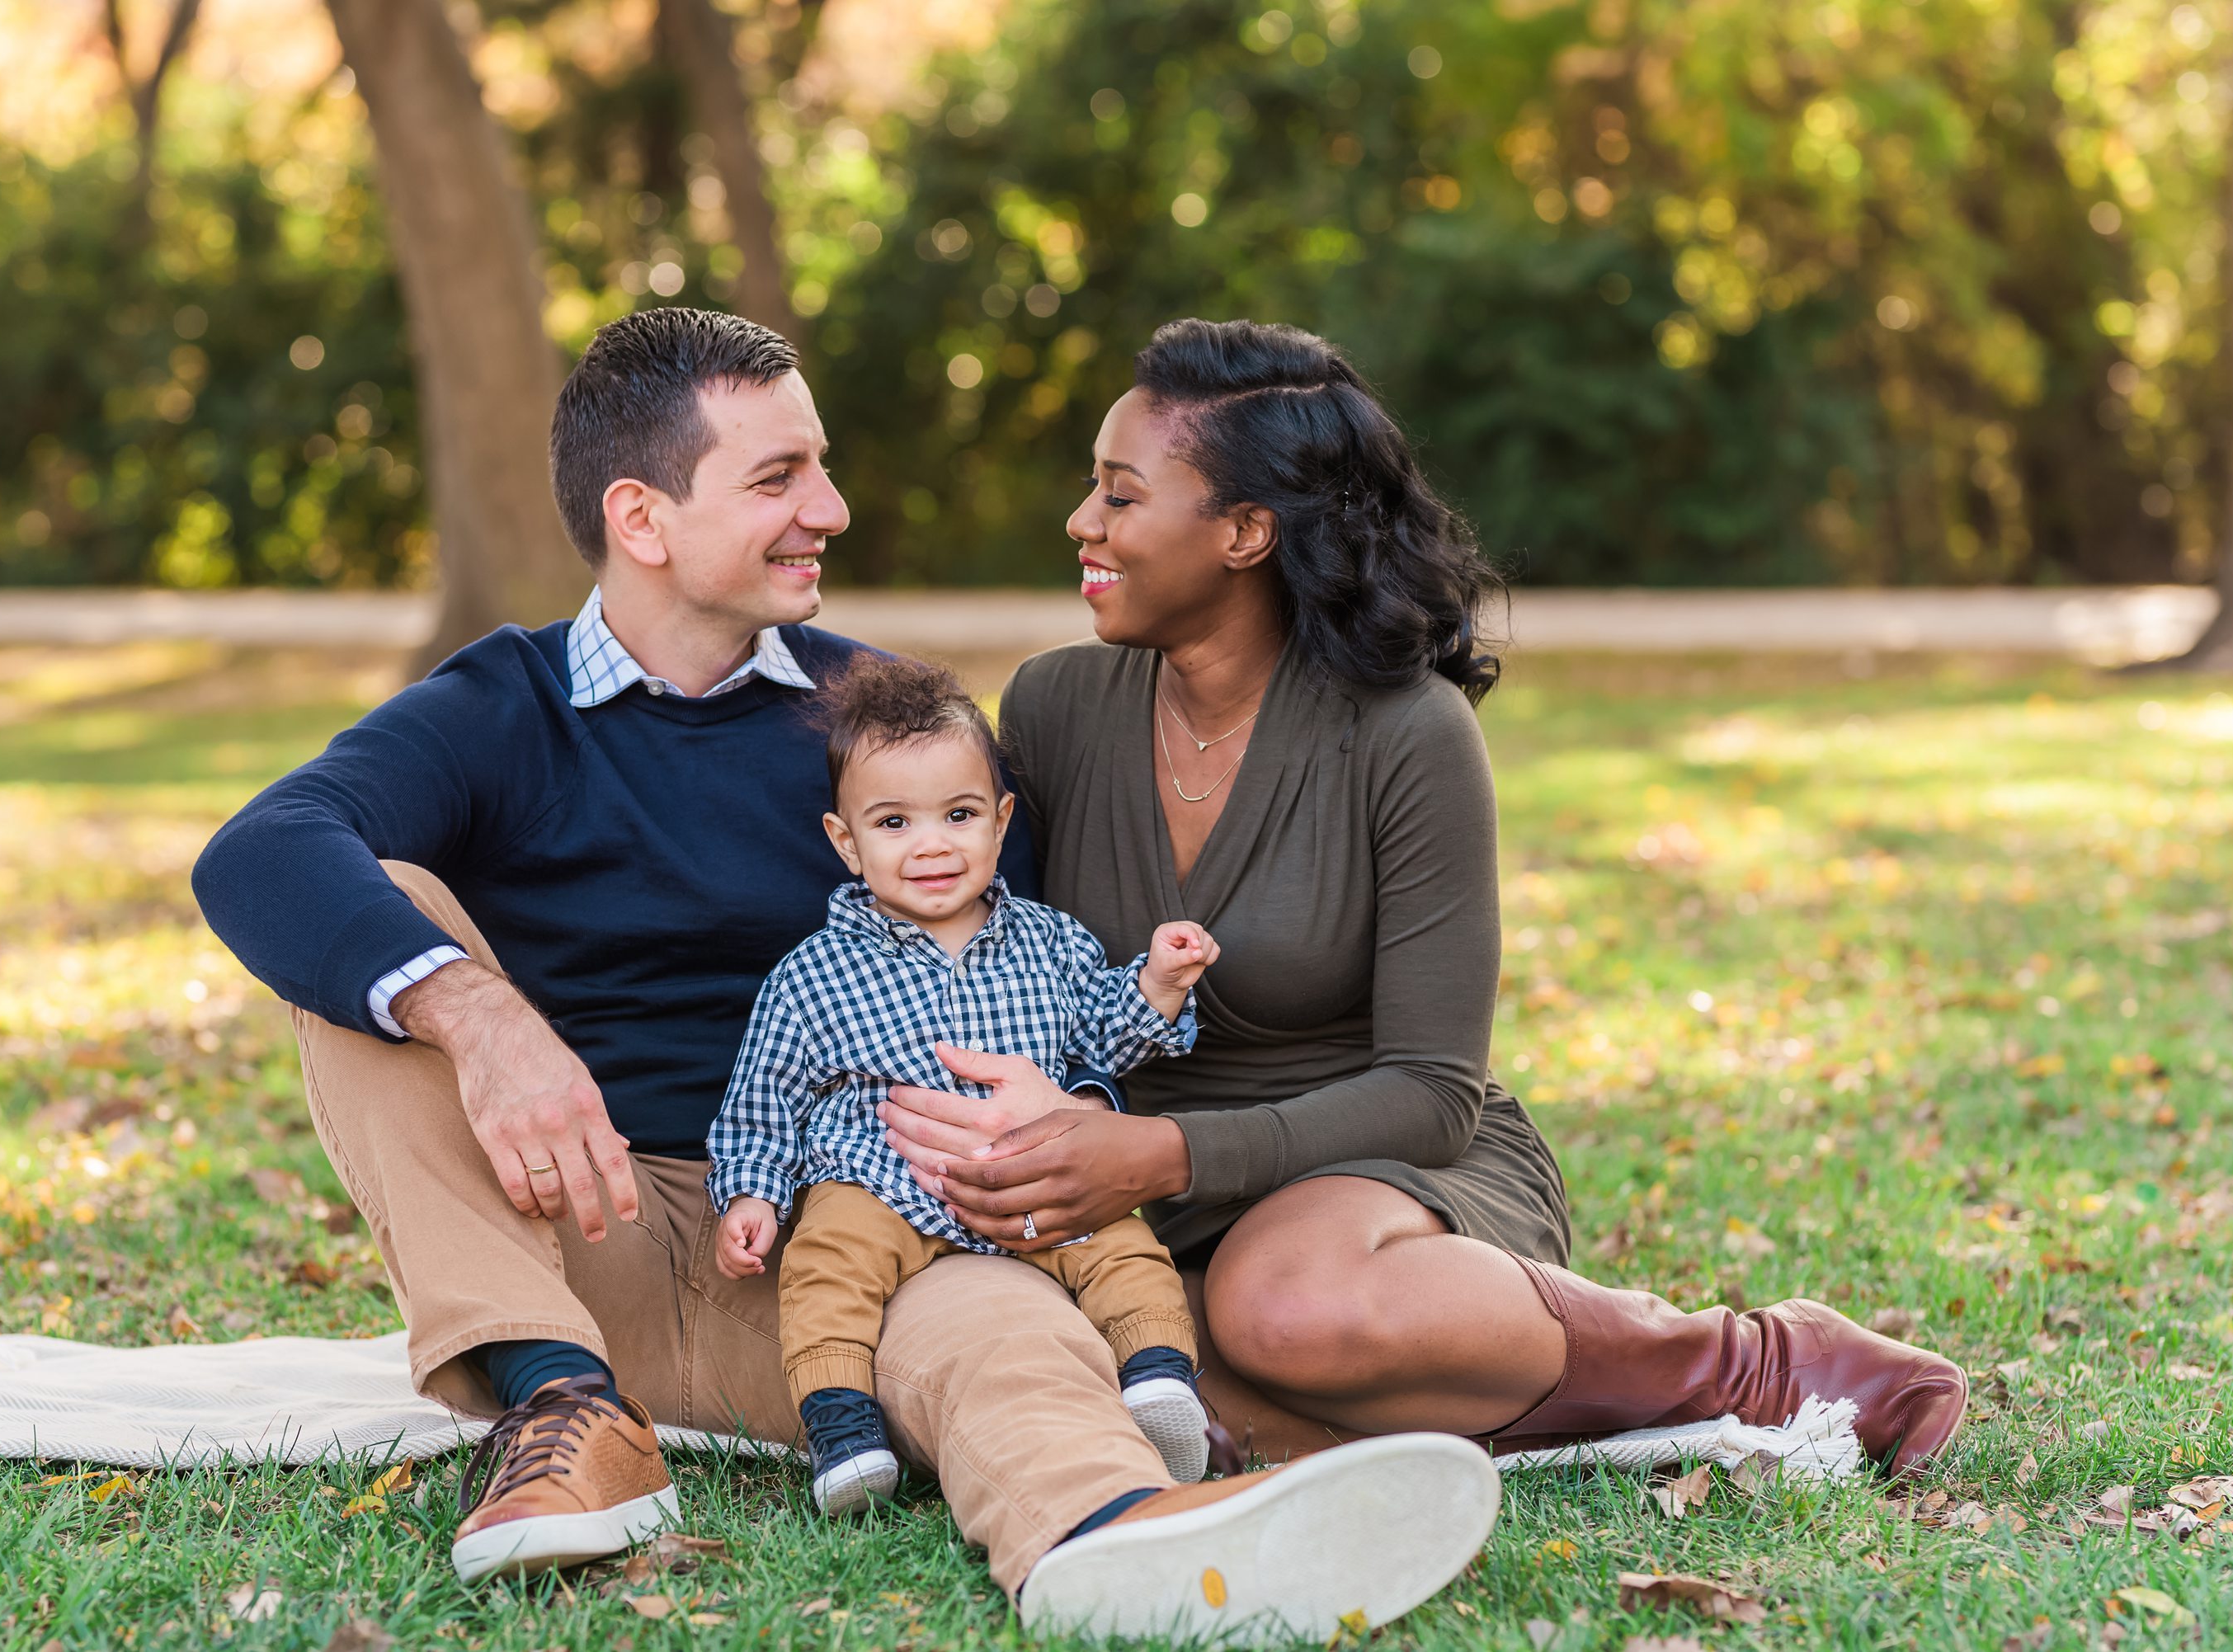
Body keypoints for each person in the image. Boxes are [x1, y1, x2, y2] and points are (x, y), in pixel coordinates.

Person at [191, 306, 1501, 1641]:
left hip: (856, 1244)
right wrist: (484, 1021)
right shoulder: (503, 706)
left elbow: (1031, 971)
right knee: (376, 930)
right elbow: (260, 852)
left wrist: (1076, 1119)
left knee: (996, 1318)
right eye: (778, 477)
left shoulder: (891, 728)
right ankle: (559, 1403)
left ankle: (1109, 1532)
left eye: (818, 463)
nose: (832, 504)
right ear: (642, 519)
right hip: (583, 1232)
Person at [879, 318, 1972, 1476]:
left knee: (1277, 1307)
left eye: (1120, 495)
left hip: (1382, 1171)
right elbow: (994, 958)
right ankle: (1385, 1404)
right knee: (1099, 1364)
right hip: (1130, 1183)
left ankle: (1744, 1359)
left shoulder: (1407, 732)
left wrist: (1161, 1149)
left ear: (1246, 531)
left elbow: (1431, 1091)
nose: (1082, 523)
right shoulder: (1055, 706)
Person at [709, 652, 1218, 1517]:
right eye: (895, 821)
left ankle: (1159, 1380)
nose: (934, 843)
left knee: (1125, 1244)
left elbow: (1104, 1029)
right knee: (826, 1265)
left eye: (959, 813)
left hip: (1034, 1181)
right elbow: (765, 1099)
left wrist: (1160, 984)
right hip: (878, 1186)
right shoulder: (815, 973)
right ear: (846, 840)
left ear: (1000, 818)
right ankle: (843, 1427)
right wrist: (751, 1194)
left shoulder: (1050, 942)